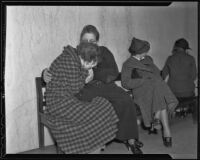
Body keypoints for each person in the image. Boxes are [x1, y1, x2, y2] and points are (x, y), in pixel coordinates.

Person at [42, 25, 143, 154]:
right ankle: (88, 143)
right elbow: (59, 66)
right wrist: (45, 73)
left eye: (92, 41)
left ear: (97, 42)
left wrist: (95, 73)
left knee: (125, 100)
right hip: (85, 88)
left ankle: (131, 141)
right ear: (80, 41)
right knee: (86, 107)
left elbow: (113, 72)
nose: (89, 44)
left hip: (106, 86)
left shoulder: (104, 51)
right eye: (85, 41)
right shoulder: (74, 52)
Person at [44, 42, 119, 154]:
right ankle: (94, 146)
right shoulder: (71, 62)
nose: (92, 67)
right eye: (91, 64)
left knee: (103, 104)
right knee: (99, 109)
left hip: (66, 98)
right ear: (85, 58)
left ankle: (95, 145)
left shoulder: (71, 57)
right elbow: (75, 88)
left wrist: (85, 72)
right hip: (58, 102)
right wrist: (85, 76)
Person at [121, 37, 178, 147]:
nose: (146, 53)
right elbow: (125, 83)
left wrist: (152, 78)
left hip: (155, 89)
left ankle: (157, 118)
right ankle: (166, 132)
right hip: (141, 91)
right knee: (159, 89)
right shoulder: (127, 64)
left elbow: (157, 73)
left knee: (157, 86)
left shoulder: (148, 59)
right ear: (137, 52)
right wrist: (143, 81)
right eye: (144, 52)